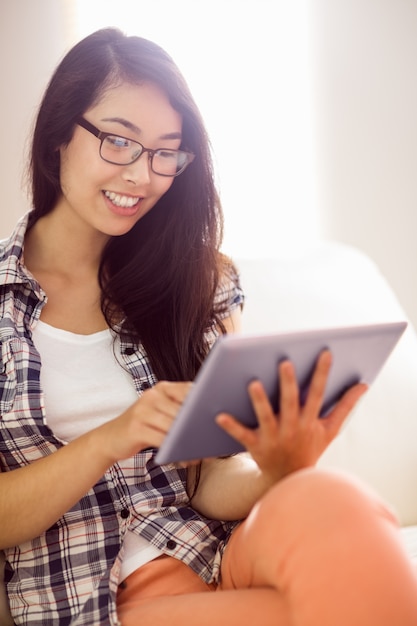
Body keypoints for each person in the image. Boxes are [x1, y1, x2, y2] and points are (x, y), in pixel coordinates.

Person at [0, 27, 416, 626]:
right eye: (120, 141)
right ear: (58, 136)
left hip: (231, 549)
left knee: (336, 500)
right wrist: (111, 439)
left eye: (167, 152)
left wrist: (278, 468)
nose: (143, 177)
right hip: (111, 600)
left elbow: (210, 482)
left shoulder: (200, 279)